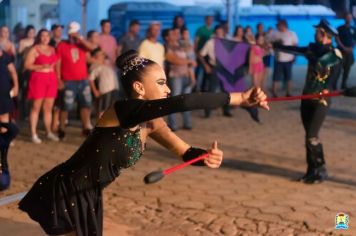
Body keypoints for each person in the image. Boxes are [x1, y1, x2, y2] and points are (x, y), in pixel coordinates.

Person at [19, 49, 269, 236]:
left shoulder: (152, 124)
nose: (168, 89)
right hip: (64, 191)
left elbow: (185, 152)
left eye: (166, 82)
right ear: (139, 87)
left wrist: (206, 157)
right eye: (161, 83)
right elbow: (183, 102)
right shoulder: (123, 110)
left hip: (89, 195)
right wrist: (239, 97)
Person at [273, 19, 342, 184]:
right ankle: (311, 170)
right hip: (306, 97)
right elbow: (295, 50)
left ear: (325, 35)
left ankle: (321, 169)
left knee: (312, 137)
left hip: (321, 100)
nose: (314, 33)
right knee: (307, 137)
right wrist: (275, 46)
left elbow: (334, 79)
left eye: (317, 31)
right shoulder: (312, 49)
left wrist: (328, 89)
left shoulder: (334, 55)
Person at [56, 21, 96, 139]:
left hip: (83, 80)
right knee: (66, 106)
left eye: (74, 34)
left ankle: (85, 128)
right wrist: (59, 78)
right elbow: (58, 63)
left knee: (86, 105)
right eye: (70, 34)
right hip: (68, 81)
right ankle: (62, 128)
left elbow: (92, 47)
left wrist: (79, 38)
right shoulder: (62, 45)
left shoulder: (82, 44)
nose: (71, 37)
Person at [24, 29, 59, 143]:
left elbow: (56, 64)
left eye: (47, 35)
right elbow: (27, 65)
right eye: (43, 35)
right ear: (39, 37)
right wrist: (40, 67)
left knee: (48, 107)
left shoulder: (52, 49)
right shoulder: (34, 49)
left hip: (51, 79)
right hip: (39, 78)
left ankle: (48, 132)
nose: (45, 38)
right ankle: (33, 133)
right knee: (36, 107)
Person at [88, 48, 119, 119]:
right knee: (104, 109)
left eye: (103, 54)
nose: (103, 55)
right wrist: (95, 91)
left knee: (112, 109)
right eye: (101, 54)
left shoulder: (107, 63)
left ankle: (109, 125)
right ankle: (101, 126)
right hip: (105, 90)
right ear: (96, 56)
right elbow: (90, 79)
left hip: (114, 88)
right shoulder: (95, 66)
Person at [271, 19, 298, 97]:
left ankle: (288, 92)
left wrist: (294, 56)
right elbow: (271, 44)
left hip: (288, 59)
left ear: (283, 25)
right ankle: (274, 93)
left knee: (288, 77)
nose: (277, 26)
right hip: (278, 59)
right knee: (276, 77)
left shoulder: (291, 34)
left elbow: (295, 46)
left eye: (278, 25)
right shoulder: (275, 34)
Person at [335, 13, 356, 89]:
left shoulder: (353, 29)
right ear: (345, 18)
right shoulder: (340, 28)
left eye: (350, 18)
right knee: (338, 69)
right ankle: (334, 85)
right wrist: (343, 47)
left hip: (349, 52)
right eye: (347, 17)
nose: (349, 19)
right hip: (341, 51)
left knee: (347, 69)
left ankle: (344, 84)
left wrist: (352, 47)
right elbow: (337, 39)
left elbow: (354, 39)